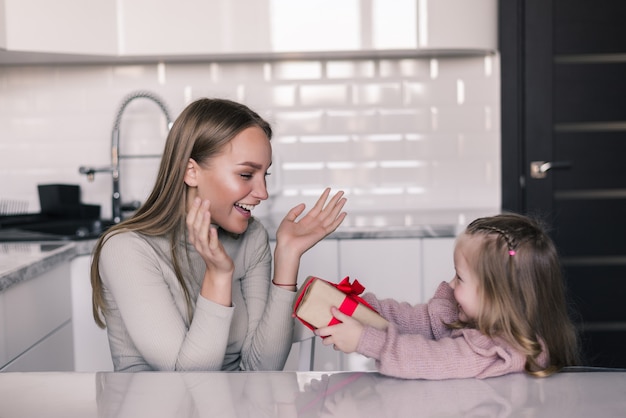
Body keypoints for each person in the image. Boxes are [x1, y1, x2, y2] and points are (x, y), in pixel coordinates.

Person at [91, 97, 347, 372]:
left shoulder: (252, 238)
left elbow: (261, 370)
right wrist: (218, 276)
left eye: (265, 175)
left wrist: (287, 257)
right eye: (247, 174)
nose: (262, 193)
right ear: (192, 172)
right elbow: (189, 381)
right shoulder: (126, 249)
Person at [317, 213, 580, 379]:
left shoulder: (500, 351)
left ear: (498, 296)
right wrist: (364, 308)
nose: (451, 285)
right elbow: (416, 319)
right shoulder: (474, 318)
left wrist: (365, 340)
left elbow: (431, 359)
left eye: (460, 278)